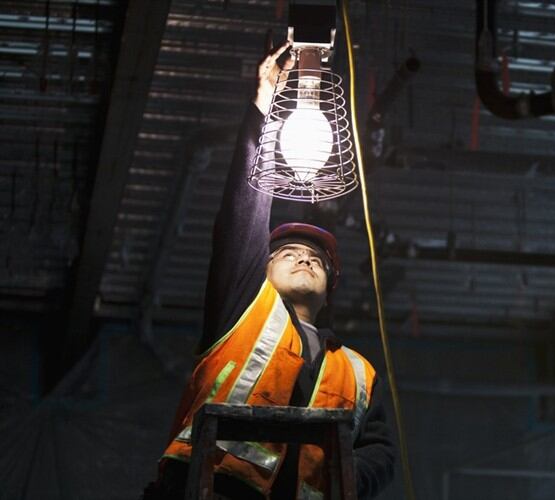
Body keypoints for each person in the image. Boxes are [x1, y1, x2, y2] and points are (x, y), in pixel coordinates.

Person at [148, 40, 396, 500]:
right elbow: (241, 216)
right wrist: (263, 109)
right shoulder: (242, 310)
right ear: (258, 269)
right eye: (287, 254)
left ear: (329, 290)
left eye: (316, 260)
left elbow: (381, 451)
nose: (304, 258)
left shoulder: (359, 372)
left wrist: (341, 481)